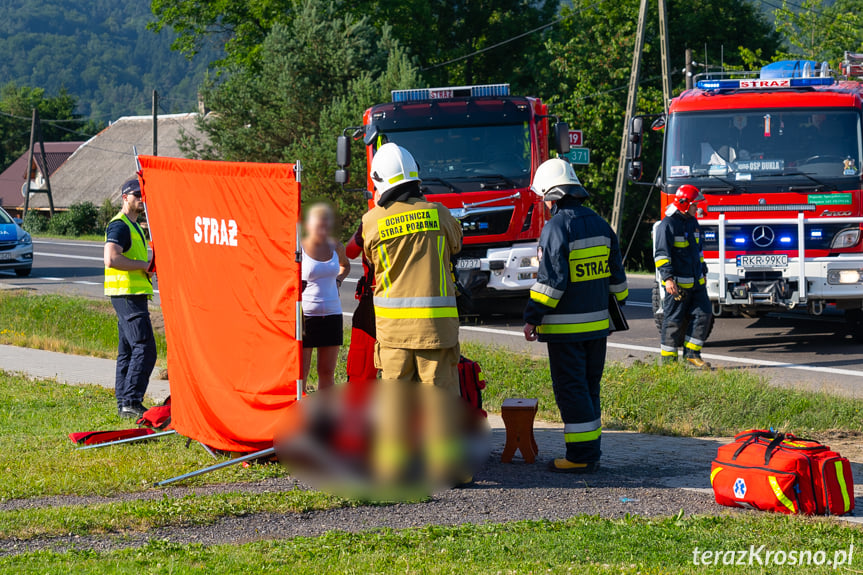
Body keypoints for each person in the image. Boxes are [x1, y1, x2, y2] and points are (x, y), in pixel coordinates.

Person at [522, 159, 627, 474]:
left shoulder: (556, 228)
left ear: (552, 195)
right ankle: (590, 452)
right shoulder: (600, 224)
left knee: (572, 389)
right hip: (597, 329)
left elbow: (551, 283)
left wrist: (532, 317)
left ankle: (581, 456)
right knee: (589, 388)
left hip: (565, 331)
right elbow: (619, 285)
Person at [361, 143, 463, 389]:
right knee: (441, 412)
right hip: (436, 332)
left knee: (394, 414)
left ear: (379, 182)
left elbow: (369, 258)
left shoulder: (372, 221)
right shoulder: (439, 214)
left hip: (393, 334)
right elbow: (457, 244)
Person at [103, 177, 156, 418]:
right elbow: (111, 259)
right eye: (136, 195)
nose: (141, 199)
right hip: (127, 294)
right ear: (125, 198)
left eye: (143, 195)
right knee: (144, 348)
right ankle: (131, 401)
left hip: (130, 294)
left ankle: (124, 404)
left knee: (127, 350)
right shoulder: (120, 225)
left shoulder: (135, 226)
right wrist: (144, 265)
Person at [653, 184, 712, 368]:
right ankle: (669, 363)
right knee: (673, 322)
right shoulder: (667, 225)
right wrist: (668, 279)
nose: (698, 208)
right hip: (677, 285)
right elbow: (661, 255)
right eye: (695, 205)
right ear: (685, 204)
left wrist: (703, 270)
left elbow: (698, 251)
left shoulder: (692, 222)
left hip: (696, 282)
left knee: (704, 314)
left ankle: (692, 355)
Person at [302, 203, 350, 390]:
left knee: (327, 373)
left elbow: (345, 266)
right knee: (302, 373)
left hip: (332, 314)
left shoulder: (336, 247)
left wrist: (338, 281)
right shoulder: (299, 248)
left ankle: (325, 416)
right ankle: (301, 415)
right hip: (307, 316)